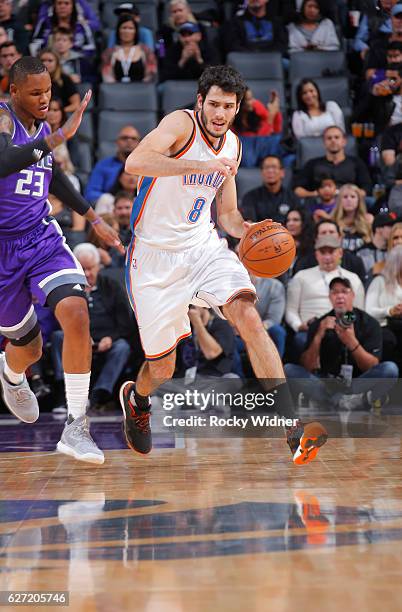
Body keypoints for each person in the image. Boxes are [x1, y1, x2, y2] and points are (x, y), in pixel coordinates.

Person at [119, 65, 328, 465]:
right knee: (162, 368)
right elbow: (136, 161)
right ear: (200, 102)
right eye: (212, 104)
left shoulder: (232, 145)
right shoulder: (180, 125)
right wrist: (196, 166)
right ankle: (138, 398)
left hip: (202, 247)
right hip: (153, 259)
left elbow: (228, 214)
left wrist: (247, 229)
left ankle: (290, 426)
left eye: (227, 107)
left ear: (236, 109)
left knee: (248, 317)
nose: (219, 113)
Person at [0, 56, 123, 464]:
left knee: (76, 311)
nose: (44, 99)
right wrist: (52, 140)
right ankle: (12, 373)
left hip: (41, 237)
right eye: (34, 93)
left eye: (48, 92)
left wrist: (93, 219)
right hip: (2, 250)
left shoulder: (44, 131)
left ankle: (76, 425)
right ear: (12, 90)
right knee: (29, 348)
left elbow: (52, 176)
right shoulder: (2, 121)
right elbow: (3, 162)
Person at [285, 277, 398, 410]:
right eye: (335, 292)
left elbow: (371, 366)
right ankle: (347, 401)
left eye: (344, 291)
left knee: (390, 369)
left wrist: (352, 342)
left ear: (353, 295)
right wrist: (318, 336)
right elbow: (307, 366)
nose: (340, 296)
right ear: (330, 297)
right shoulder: (320, 323)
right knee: (289, 369)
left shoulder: (370, 323)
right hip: (327, 383)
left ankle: (333, 401)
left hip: (356, 384)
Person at [51, 243, 133, 410]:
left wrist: (111, 338)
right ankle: (64, 393)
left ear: (98, 266)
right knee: (58, 337)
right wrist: (77, 336)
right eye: (83, 269)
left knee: (122, 347)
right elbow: (56, 320)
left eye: (91, 268)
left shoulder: (112, 286)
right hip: (76, 339)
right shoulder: (66, 289)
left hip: (106, 341)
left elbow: (125, 323)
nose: (87, 274)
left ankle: (97, 396)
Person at [286, 234, 365, 355]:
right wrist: (298, 326)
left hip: (345, 328)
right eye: (323, 252)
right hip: (309, 330)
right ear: (316, 255)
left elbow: (360, 310)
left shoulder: (353, 278)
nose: (327, 257)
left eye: (331, 252)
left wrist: (345, 324)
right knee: (301, 339)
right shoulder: (301, 276)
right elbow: (291, 310)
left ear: (340, 253)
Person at [293, 126, 372, 198]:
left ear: (344, 142)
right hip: (319, 203)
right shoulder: (312, 164)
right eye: (329, 138)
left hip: (349, 204)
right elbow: (297, 189)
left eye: (337, 137)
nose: (333, 140)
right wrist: (316, 194)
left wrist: (350, 195)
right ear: (324, 143)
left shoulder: (356, 163)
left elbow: (366, 188)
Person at [293, 219, 367, 282]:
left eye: (331, 232)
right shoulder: (303, 263)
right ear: (316, 239)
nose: (328, 235)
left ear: (340, 237)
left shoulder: (355, 262)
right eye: (323, 232)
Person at [366, 244, 402, 370]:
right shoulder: (379, 282)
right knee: (389, 339)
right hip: (384, 325)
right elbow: (369, 311)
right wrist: (390, 311)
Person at [84, 125, 140, 205]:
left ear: (139, 143)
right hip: (109, 208)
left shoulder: (144, 167)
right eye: (124, 138)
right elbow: (90, 194)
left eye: (133, 139)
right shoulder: (103, 165)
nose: (129, 141)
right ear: (117, 142)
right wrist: (114, 200)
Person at [241, 155, 300, 224]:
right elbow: (249, 222)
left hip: (286, 233)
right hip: (260, 233)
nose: (270, 171)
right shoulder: (250, 197)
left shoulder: (293, 197)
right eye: (266, 167)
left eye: (274, 167)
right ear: (261, 173)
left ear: (282, 173)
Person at [102, 14, 157, 84]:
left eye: (131, 28)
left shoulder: (146, 51)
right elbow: (106, 75)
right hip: (116, 90)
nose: (127, 31)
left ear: (136, 31)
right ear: (118, 30)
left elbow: (151, 74)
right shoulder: (109, 53)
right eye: (124, 28)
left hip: (141, 90)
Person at [223, 0, 288, 54]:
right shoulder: (234, 23)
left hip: (272, 61)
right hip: (245, 61)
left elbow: (281, 46)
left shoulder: (277, 23)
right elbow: (233, 47)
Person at [332, 183, 373, 252]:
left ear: (358, 200)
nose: (349, 200)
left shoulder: (368, 221)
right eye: (345, 197)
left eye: (353, 197)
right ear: (339, 201)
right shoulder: (332, 222)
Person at [356, 211, 395, 279]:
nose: (394, 230)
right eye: (390, 226)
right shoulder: (361, 252)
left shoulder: (394, 251)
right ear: (378, 229)